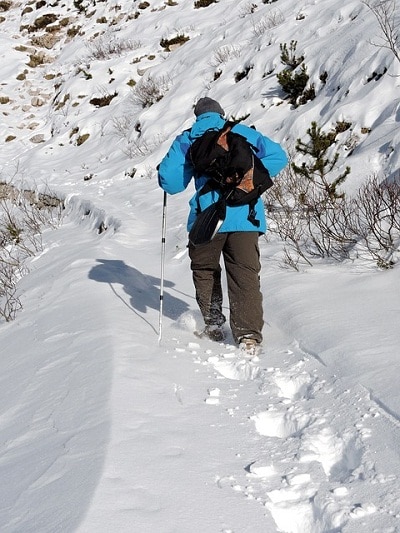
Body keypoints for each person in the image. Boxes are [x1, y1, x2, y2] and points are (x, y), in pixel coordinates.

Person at [158, 97, 287, 352]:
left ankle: (214, 323)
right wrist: (246, 175)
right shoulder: (240, 132)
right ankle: (248, 335)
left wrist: (165, 170)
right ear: (221, 113)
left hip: (208, 218)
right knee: (244, 274)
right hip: (246, 217)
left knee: (205, 268)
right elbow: (279, 157)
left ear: (197, 117)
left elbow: (171, 183)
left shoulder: (187, 139)